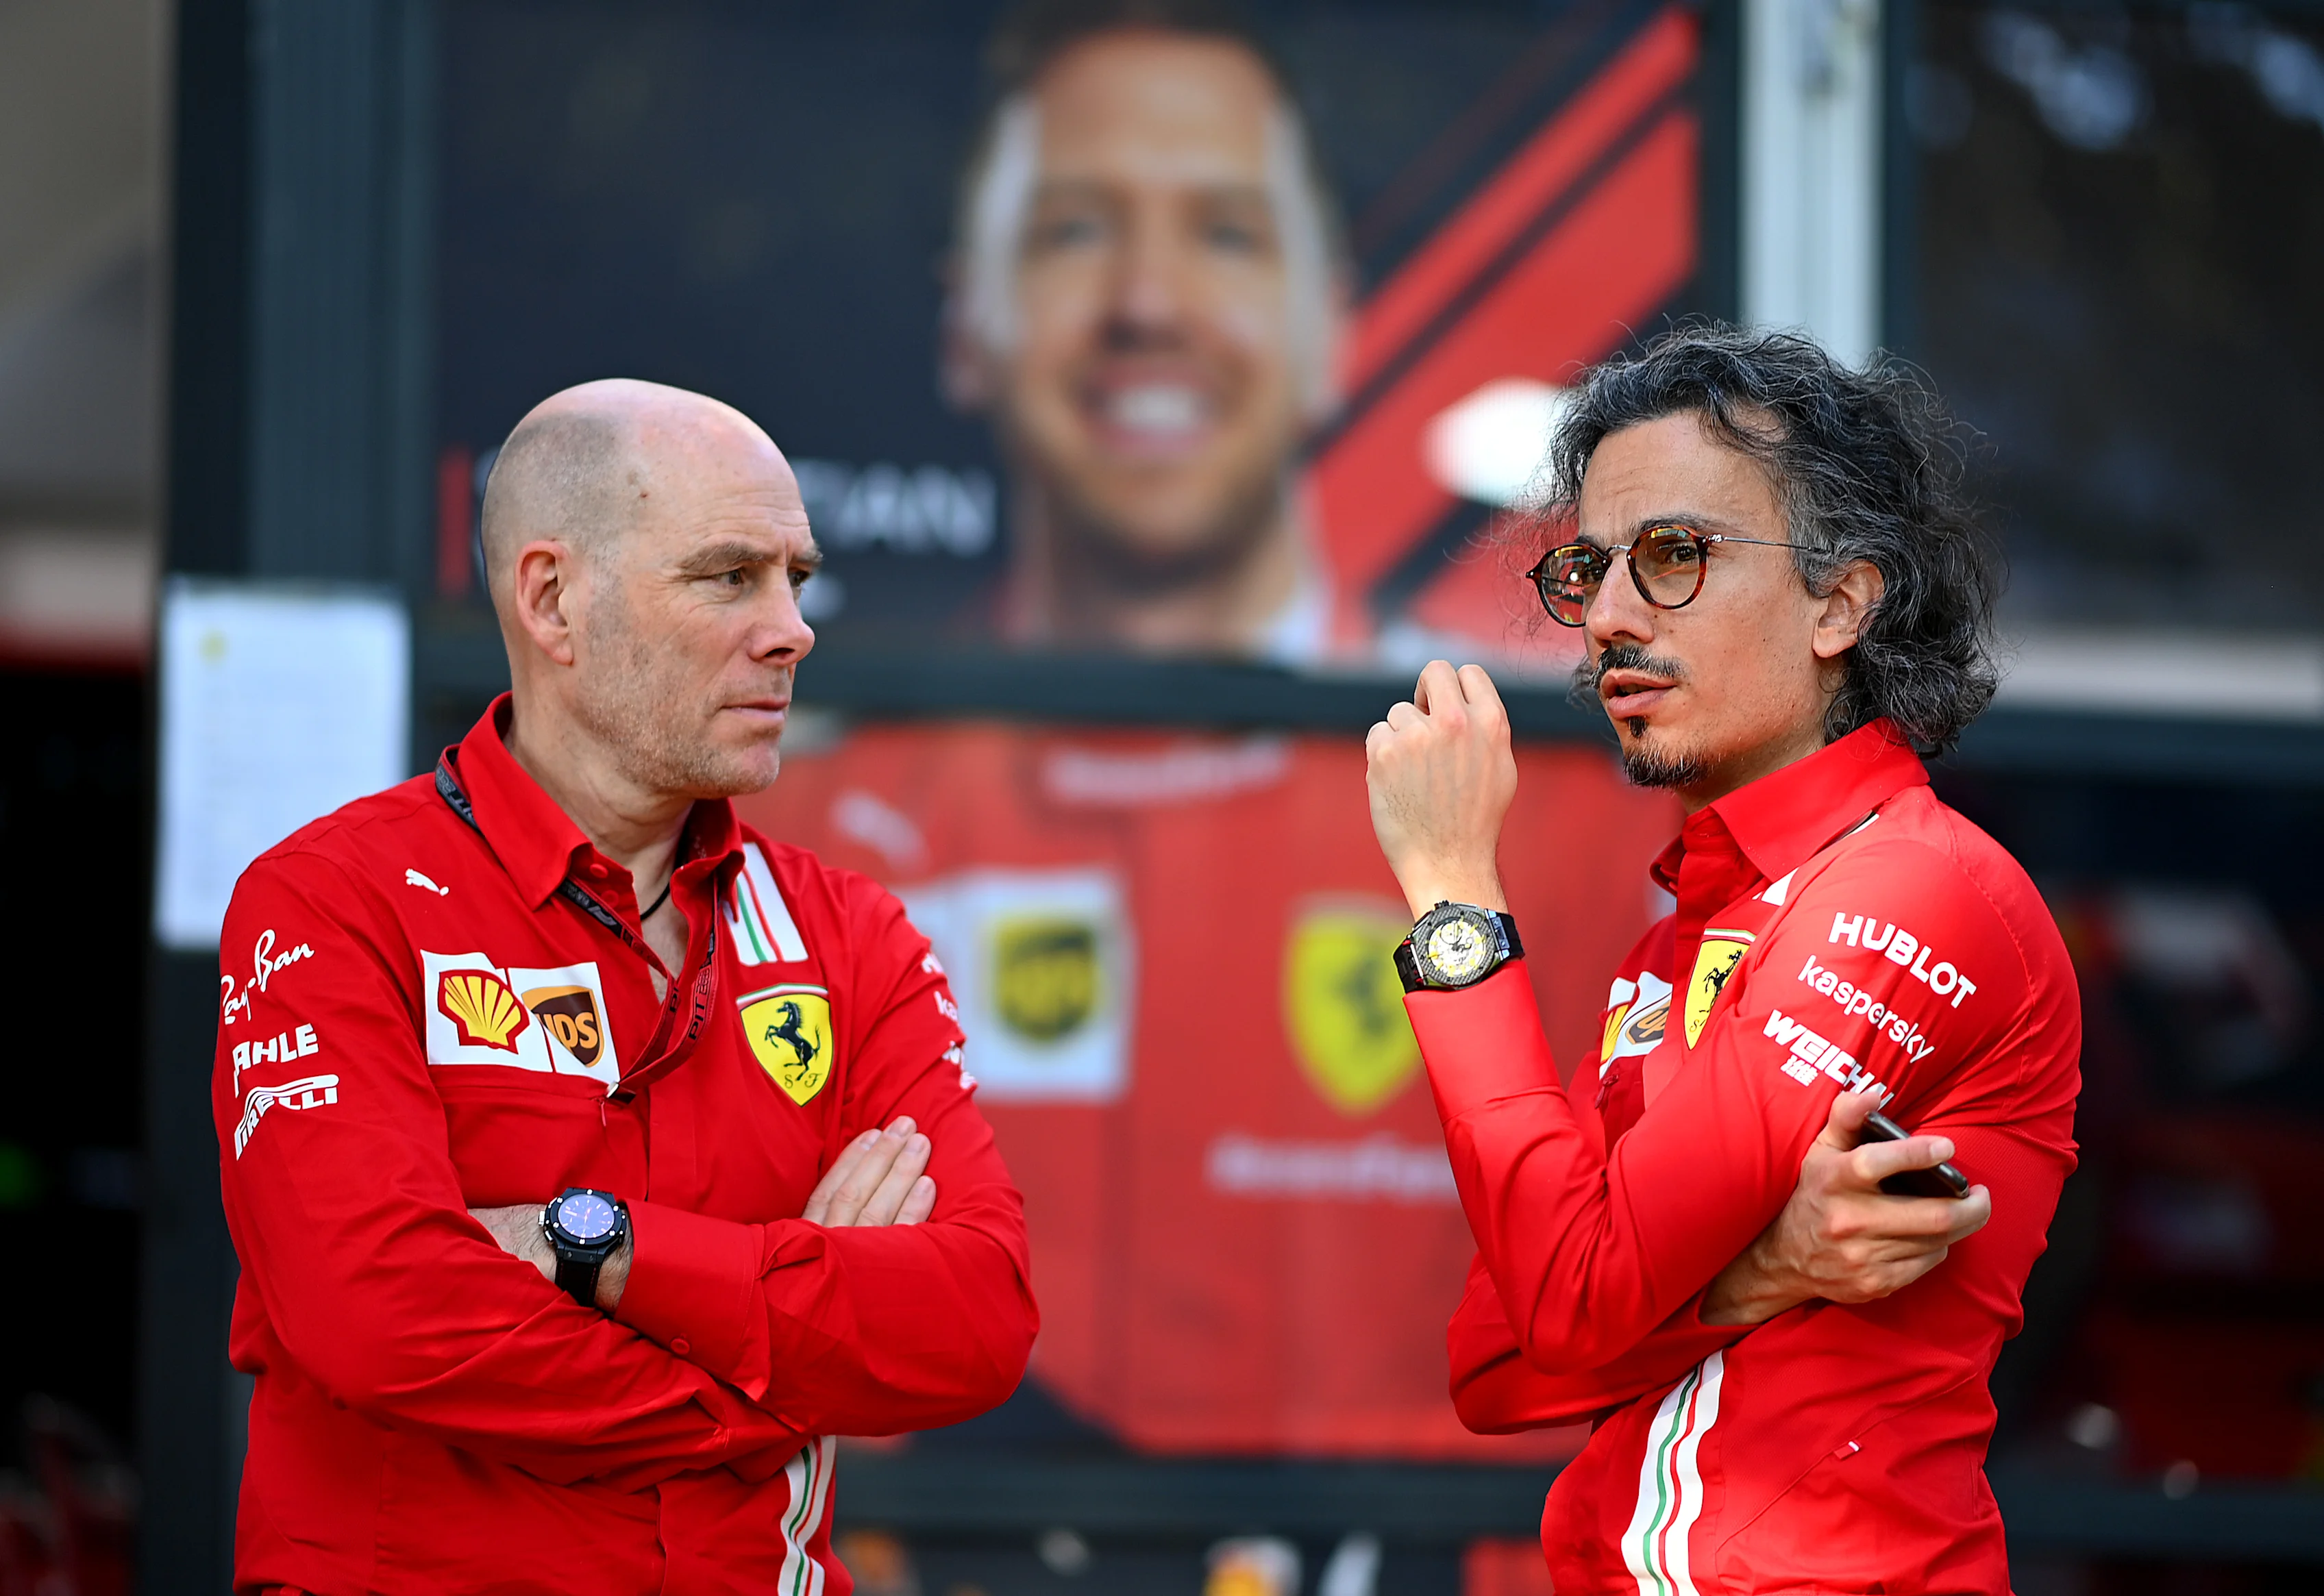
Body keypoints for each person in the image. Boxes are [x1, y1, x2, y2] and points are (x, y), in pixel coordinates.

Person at [211, 379, 1037, 1595]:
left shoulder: (847, 934)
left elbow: (974, 1322)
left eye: (796, 579)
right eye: (727, 576)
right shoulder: (336, 899)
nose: (793, 628)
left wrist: (590, 1244)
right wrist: (774, 1368)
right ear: (552, 599)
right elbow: (380, 1317)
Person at [1363, 325, 2080, 1591]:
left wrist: (1452, 892)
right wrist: (1756, 1277)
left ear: (1840, 601)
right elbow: (1494, 1360)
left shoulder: (1914, 890)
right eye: (1588, 570)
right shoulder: (1685, 938)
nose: (1611, 618)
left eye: (1675, 556)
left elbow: (1572, 1306)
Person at [941, 0, 1349, 660]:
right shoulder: (798, 755)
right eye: (1075, 230)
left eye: (1228, 235)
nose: (1148, 304)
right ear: (962, 328)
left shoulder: (1505, 754)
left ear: (1334, 330)